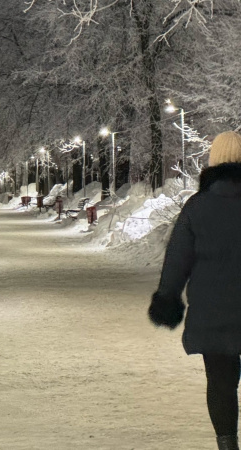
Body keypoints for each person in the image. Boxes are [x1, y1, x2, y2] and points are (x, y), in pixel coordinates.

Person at [149, 130, 241, 450]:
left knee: (220, 382)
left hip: (212, 314)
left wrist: (167, 299)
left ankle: (228, 445)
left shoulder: (196, 208)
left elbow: (177, 260)